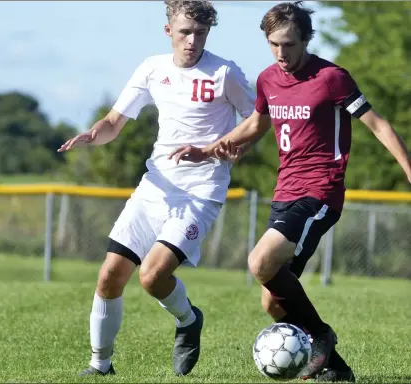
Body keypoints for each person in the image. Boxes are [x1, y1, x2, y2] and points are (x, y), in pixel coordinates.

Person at [169, 1, 411, 382]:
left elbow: (377, 124)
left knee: (259, 262)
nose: (282, 53)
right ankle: (336, 370)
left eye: (289, 45)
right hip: (284, 192)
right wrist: (207, 150)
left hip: (320, 192)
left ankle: (321, 336)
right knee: (273, 300)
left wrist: (408, 168)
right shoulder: (267, 79)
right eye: (274, 44)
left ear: (305, 39)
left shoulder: (332, 77)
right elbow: (255, 126)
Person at [58, 0, 256, 377]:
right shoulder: (152, 68)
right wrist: (92, 135)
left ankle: (187, 320)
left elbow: (256, 120)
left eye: (200, 33)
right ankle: (99, 366)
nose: (192, 40)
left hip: (201, 192)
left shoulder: (225, 72)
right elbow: (114, 122)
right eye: (184, 32)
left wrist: (235, 148)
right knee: (109, 276)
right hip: (155, 188)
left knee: (152, 277)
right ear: (169, 31)